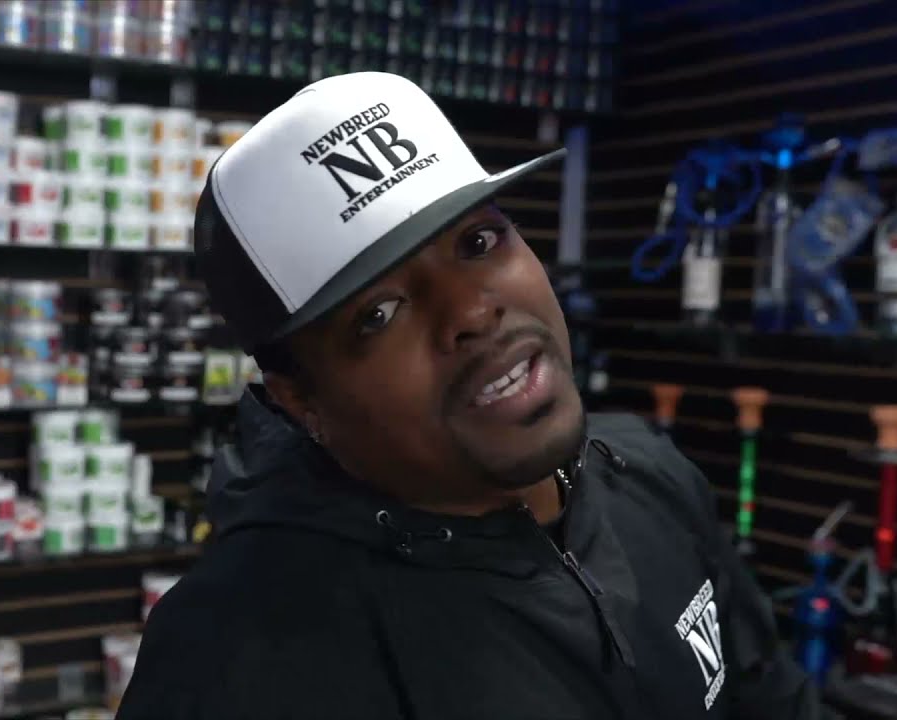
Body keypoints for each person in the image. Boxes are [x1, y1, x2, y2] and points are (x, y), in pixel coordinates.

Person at [116, 72, 820, 720]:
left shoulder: (649, 473)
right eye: (378, 314)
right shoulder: (238, 657)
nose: (472, 311)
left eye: (479, 241)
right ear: (301, 400)